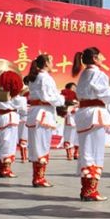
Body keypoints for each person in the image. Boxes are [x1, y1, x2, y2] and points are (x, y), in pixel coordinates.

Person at [73, 47, 110, 201]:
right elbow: (105, 93)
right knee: (95, 151)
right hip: (94, 114)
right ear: (95, 58)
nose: (104, 57)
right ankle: (90, 190)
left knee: (86, 150)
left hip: (85, 113)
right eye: (101, 55)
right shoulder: (98, 73)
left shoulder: (85, 74)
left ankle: (86, 188)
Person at [24, 54, 65, 187]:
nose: (53, 63)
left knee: (38, 145)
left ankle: (38, 177)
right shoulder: (45, 78)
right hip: (43, 114)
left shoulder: (35, 78)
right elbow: (49, 97)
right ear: (46, 63)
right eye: (51, 61)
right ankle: (39, 178)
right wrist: (62, 100)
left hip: (37, 113)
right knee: (42, 145)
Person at [0, 71, 24, 178]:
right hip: (9, 118)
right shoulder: (15, 95)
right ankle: (6, 169)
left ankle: (1, 168)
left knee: (1, 143)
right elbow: (22, 106)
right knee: (8, 144)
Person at [60, 83, 79, 160]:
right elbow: (63, 109)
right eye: (73, 87)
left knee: (77, 136)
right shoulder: (64, 97)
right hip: (70, 118)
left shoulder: (78, 97)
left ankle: (76, 153)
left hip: (78, 119)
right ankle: (69, 153)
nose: (75, 89)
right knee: (68, 135)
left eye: (75, 87)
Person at [16, 87, 30, 162]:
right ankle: (24, 157)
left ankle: (30, 156)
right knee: (23, 138)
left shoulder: (35, 105)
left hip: (32, 121)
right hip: (24, 120)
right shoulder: (21, 102)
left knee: (31, 139)